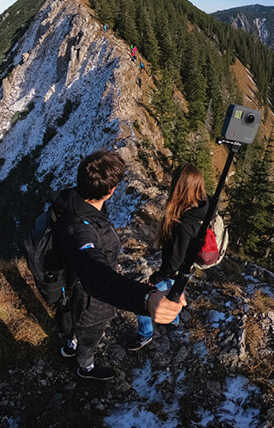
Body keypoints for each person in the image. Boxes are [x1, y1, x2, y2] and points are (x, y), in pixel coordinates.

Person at [50, 150, 186, 381]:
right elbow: (96, 273)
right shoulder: (81, 230)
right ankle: (86, 368)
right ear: (111, 191)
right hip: (90, 299)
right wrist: (145, 298)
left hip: (70, 285)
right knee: (91, 334)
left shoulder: (72, 202)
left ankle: (70, 344)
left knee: (73, 320)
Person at [127, 163, 208, 351]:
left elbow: (174, 262)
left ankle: (144, 335)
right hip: (187, 270)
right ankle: (174, 320)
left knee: (143, 300)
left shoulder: (184, 224)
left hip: (175, 272)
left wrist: (154, 279)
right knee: (174, 293)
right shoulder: (203, 207)